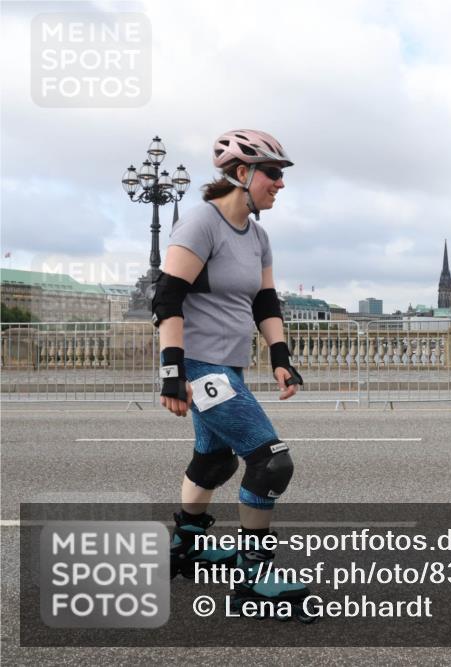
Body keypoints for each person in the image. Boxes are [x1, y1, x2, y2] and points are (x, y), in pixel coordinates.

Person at [153, 129, 312, 622]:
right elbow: (167, 298)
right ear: (242, 174)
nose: (280, 183)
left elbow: (264, 301)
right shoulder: (201, 224)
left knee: (215, 460)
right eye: (273, 173)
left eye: (281, 174)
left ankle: (185, 548)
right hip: (200, 365)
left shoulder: (258, 235)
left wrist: (280, 356)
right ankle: (252, 582)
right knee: (271, 463)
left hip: (230, 364)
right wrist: (172, 372)